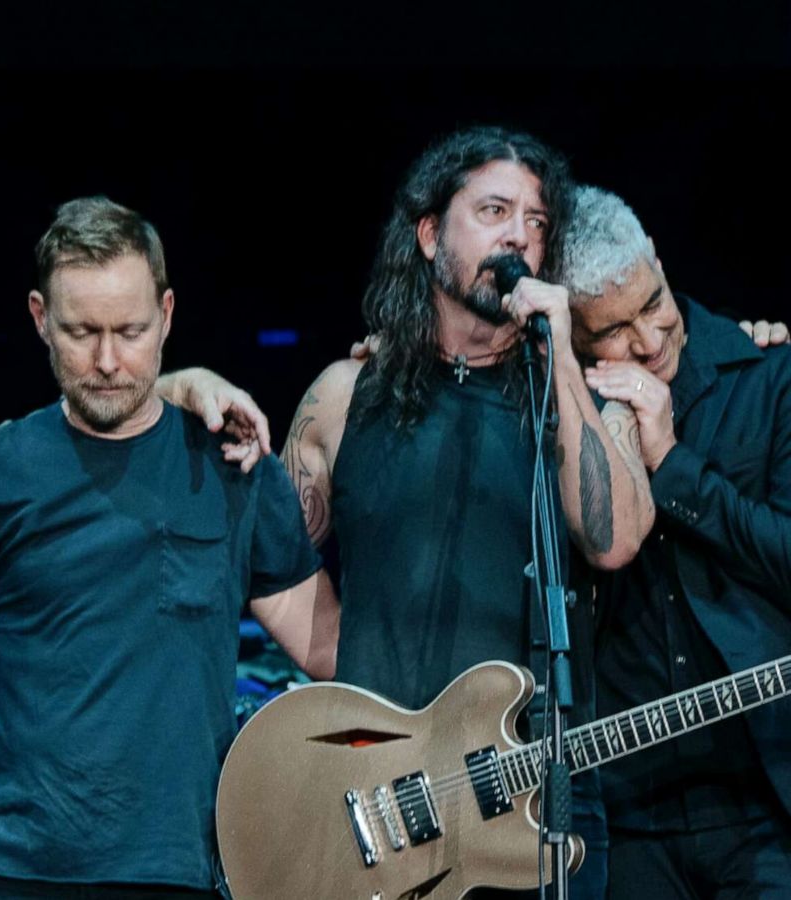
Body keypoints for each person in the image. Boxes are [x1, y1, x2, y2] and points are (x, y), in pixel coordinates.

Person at [0, 196, 334, 899]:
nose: (105, 360)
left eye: (129, 331)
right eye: (79, 331)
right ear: (39, 318)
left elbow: (327, 646)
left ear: (167, 315)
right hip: (9, 864)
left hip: (173, 866)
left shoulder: (234, 467)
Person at [279, 126, 655, 898]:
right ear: (428, 234)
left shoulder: (573, 404)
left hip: (532, 801)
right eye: (493, 210)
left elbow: (613, 539)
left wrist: (566, 361)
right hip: (379, 796)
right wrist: (336, 654)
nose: (519, 234)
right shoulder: (346, 396)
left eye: (537, 221)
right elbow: (263, 555)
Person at [559, 185, 791, 898]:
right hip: (625, 814)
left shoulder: (783, 379)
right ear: (568, 337)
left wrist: (675, 465)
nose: (649, 340)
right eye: (612, 330)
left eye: (652, 302)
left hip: (773, 803)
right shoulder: (557, 424)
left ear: (659, 262)